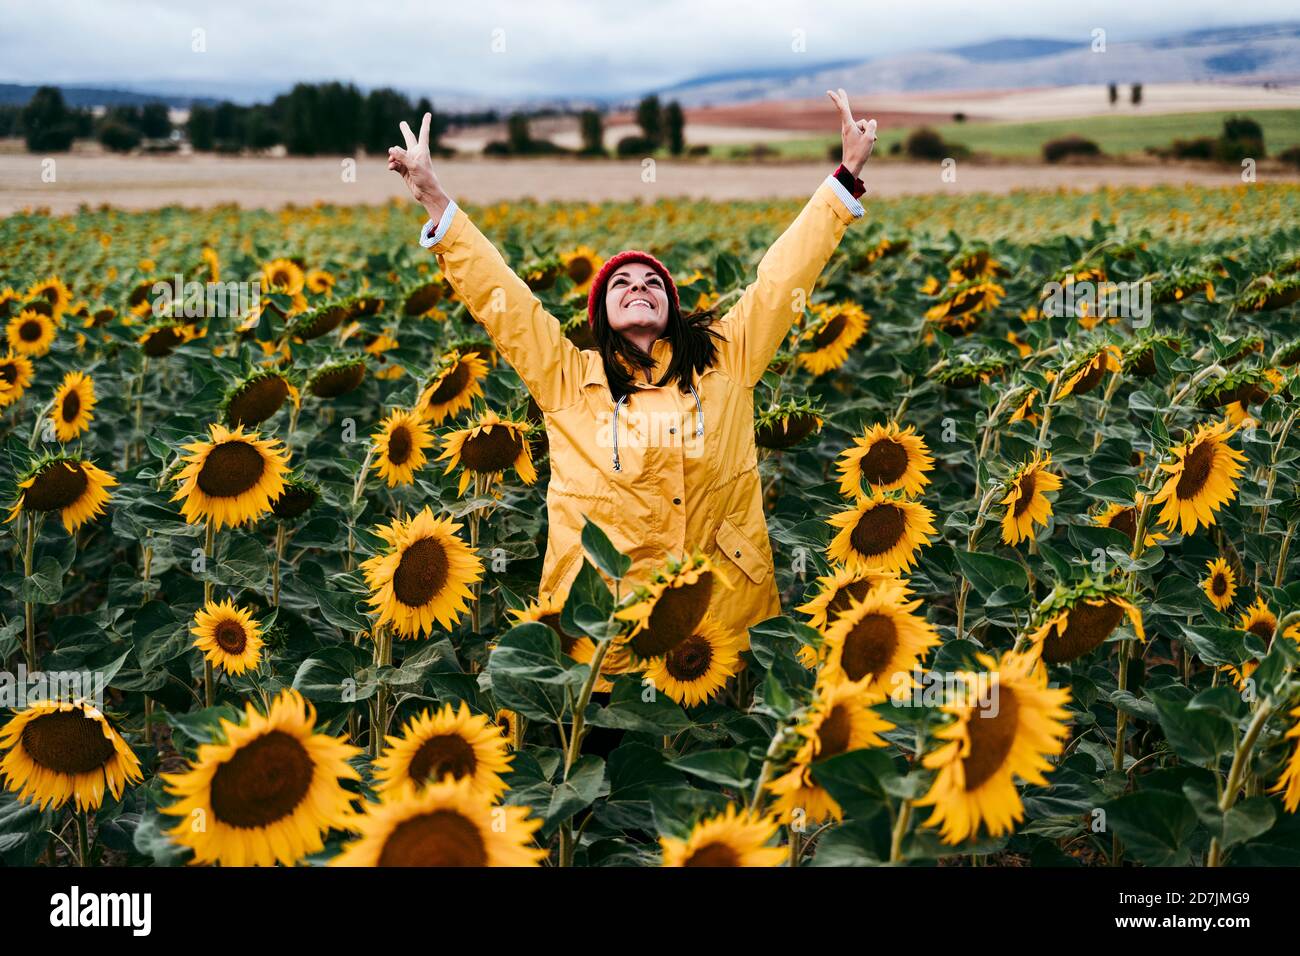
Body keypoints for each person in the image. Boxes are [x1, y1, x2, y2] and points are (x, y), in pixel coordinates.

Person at [388, 90, 876, 642]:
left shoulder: (728, 358)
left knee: (717, 728)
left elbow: (783, 280)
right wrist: (434, 199)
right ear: (601, 313)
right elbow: (506, 302)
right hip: (602, 626)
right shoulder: (567, 377)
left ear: (670, 306)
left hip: (718, 615)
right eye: (621, 283)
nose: (637, 288)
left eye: (652, 283)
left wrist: (844, 179)